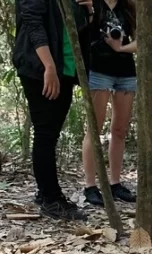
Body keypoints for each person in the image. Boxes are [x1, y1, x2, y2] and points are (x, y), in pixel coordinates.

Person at [13, 0, 93, 221]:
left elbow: (76, 28)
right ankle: (51, 199)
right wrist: (48, 66)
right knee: (45, 133)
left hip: (65, 69)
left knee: (51, 134)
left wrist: (89, 11)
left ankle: (45, 192)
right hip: (41, 70)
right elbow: (33, 23)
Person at [82, 0, 137, 206]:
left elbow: (142, 41)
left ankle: (115, 183)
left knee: (120, 129)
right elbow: (82, 33)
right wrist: (89, 12)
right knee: (94, 128)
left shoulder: (129, 8)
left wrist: (120, 47)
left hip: (125, 72)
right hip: (98, 69)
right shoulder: (92, 4)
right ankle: (90, 186)